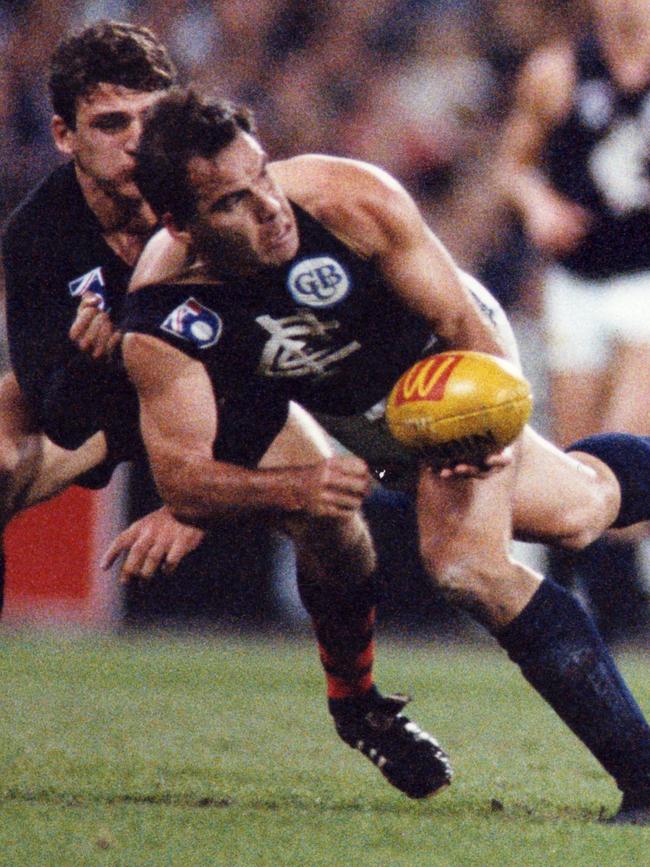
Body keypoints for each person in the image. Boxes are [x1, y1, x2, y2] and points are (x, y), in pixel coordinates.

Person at [119, 88, 650, 823]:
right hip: (356, 413)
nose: (269, 206)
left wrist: (484, 426)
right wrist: (298, 484)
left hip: (448, 364)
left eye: (264, 175)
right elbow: (181, 479)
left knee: (465, 564)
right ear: (181, 223)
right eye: (233, 202)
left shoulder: (349, 199)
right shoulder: (161, 316)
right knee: (582, 510)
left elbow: (464, 321)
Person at [0, 20, 206, 605]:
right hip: (106, 398)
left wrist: (194, 503)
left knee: (324, 513)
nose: (138, 142)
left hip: (218, 393)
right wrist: (105, 360)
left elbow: (263, 354)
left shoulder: (212, 200)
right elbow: (54, 408)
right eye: (113, 123)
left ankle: (354, 686)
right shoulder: (37, 234)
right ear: (64, 136)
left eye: (152, 120)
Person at [496, 0, 650, 634]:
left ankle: (617, 612)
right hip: (577, 279)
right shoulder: (558, 71)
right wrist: (538, 205)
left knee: (627, 435)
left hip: (645, 277)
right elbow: (512, 164)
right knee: (577, 458)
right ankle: (588, 615)